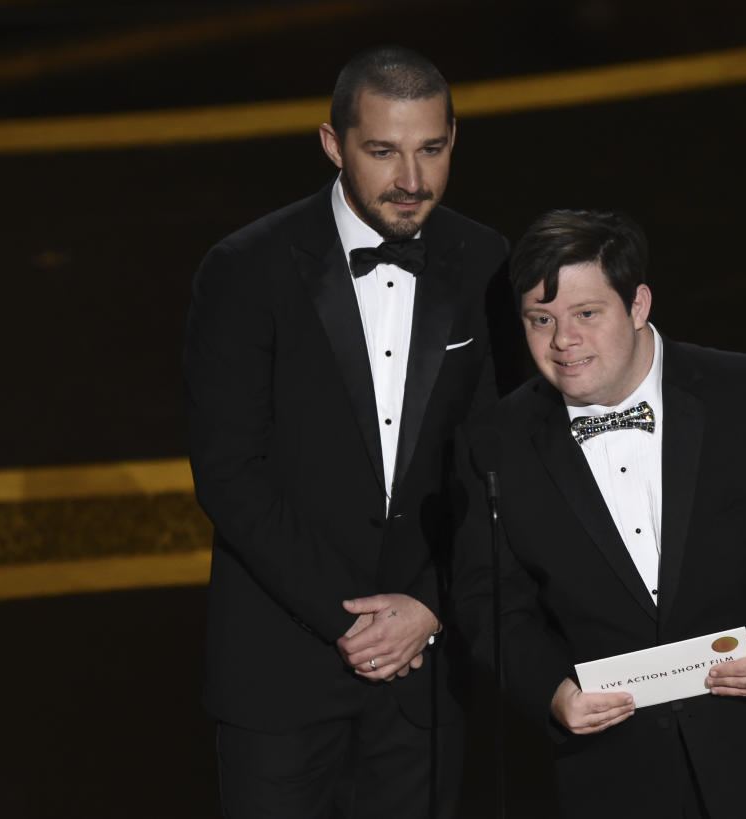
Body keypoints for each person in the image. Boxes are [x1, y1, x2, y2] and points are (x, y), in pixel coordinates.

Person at [183, 45, 517, 818]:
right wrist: (353, 621)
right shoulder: (245, 269)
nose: (411, 179)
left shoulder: (485, 260)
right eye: (383, 151)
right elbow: (230, 472)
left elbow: (496, 459)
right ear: (334, 145)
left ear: (454, 140)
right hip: (280, 670)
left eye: (431, 150)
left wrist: (429, 606)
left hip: (426, 671)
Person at [451, 210, 746, 818]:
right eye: (541, 320)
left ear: (639, 304)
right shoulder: (495, 441)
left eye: (586, 314)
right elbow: (488, 594)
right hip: (612, 777)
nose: (562, 341)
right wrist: (551, 690)